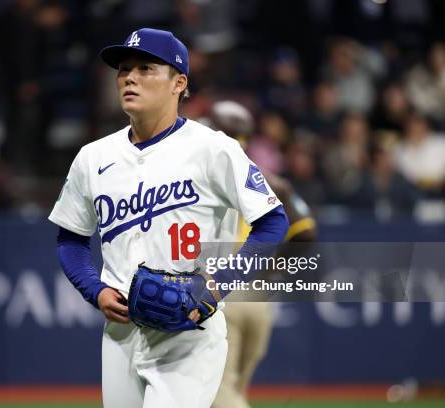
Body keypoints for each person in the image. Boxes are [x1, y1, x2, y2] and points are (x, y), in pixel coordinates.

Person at [49, 28, 288, 408]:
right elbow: (71, 239)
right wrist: (94, 290)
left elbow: (273, 222)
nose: (129, 77)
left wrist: (219, 285)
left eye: (145, 68)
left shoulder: (213, 149)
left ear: (179, 82)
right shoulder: (92, 158)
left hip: (190, 330)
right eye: (124, 69)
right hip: (121, 335)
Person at [206, 100, 317, 408]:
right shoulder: (272, 181)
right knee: (235, 391)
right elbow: (306, 232)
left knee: (219, 392)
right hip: (258, 295)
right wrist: (268, 270)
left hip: (220, 290)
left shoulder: (202, 178)